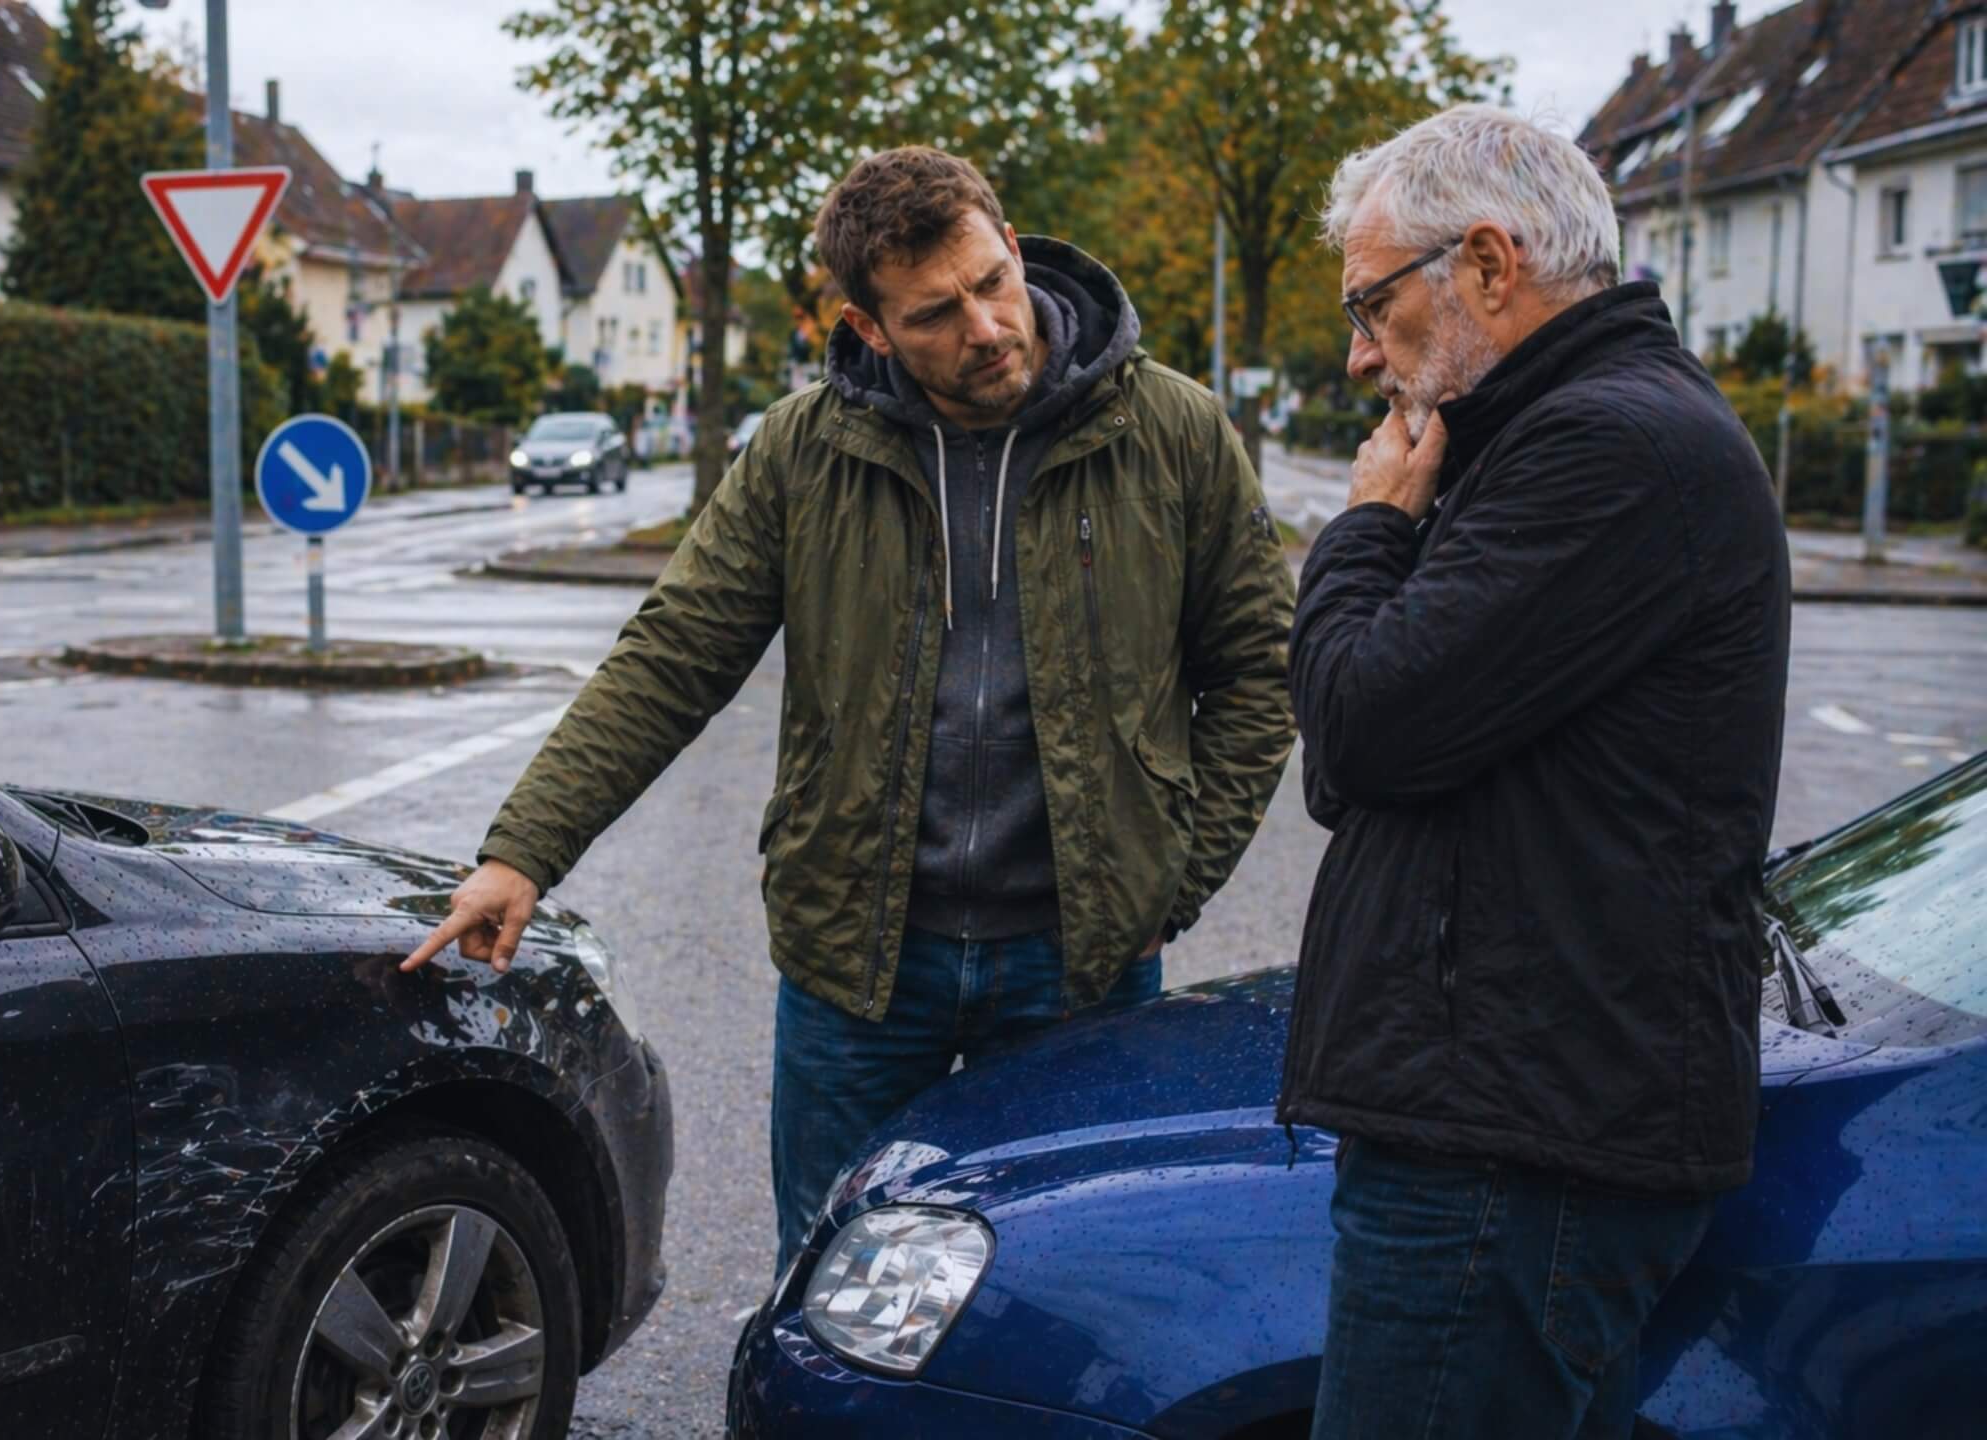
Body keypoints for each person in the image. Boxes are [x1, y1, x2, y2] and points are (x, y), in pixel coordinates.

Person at [401, 146, 1296, 1265]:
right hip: (862, 965)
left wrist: (1176, 872)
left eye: (990, 283)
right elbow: (671, 656)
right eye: (934, 314)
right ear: (869, 328)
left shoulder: (1172, 432)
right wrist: (523, 850)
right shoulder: (801, 454)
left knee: (1072, 1279)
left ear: (1013, 248)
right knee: (834, 1271)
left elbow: (1259, 669)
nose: (984, 328)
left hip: (1083, 960)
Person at [1283, 105, 1791, 1438]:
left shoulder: (1605, 448)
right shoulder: (1561, 432)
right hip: (1511, 1117)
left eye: (1372, 306)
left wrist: (1365, 532)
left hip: (1512, 1147)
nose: (1357, 355)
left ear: (1491, 266)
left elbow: (1358, 732)